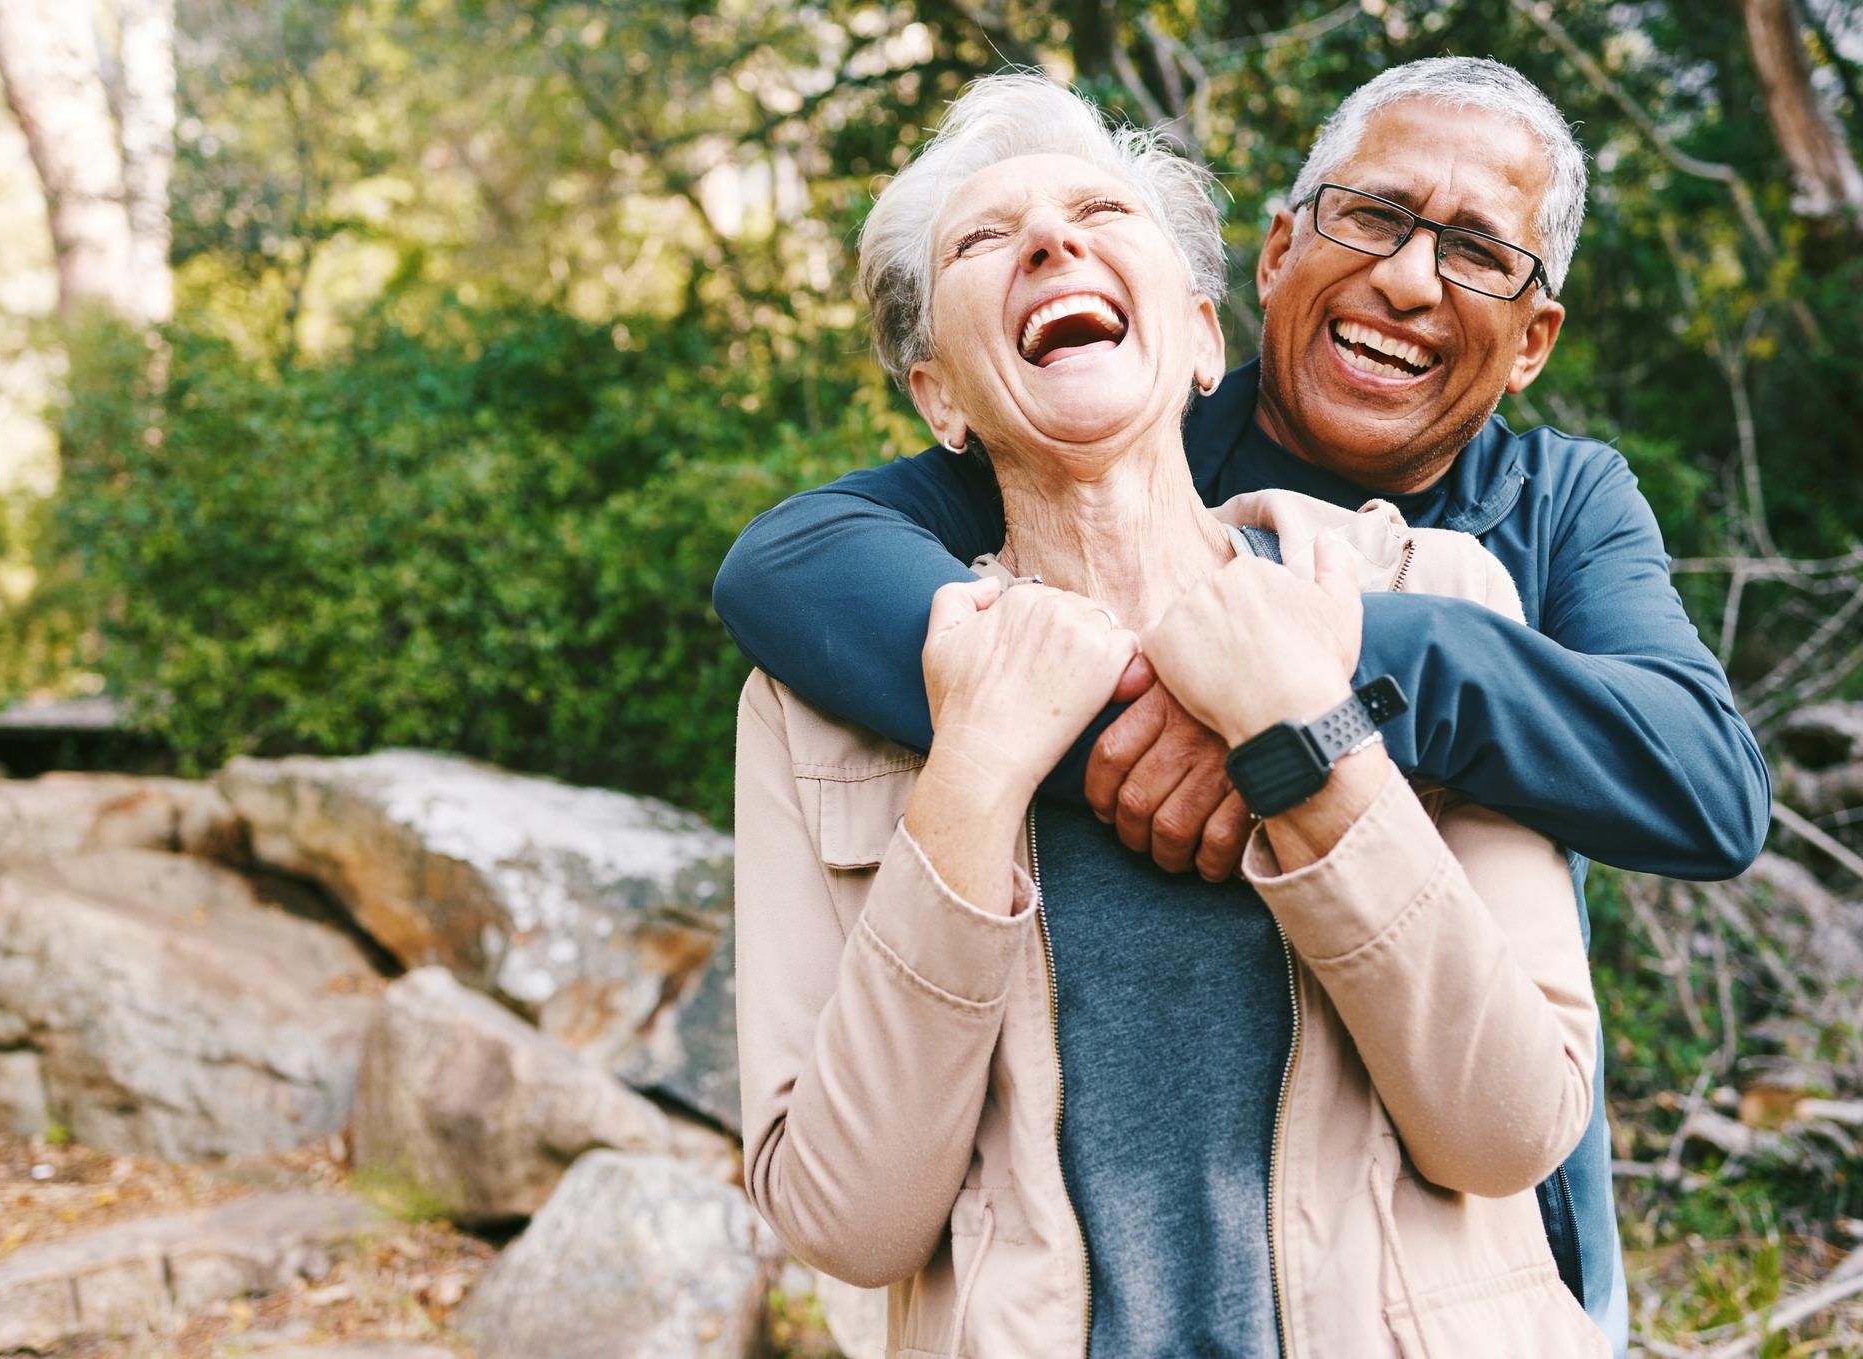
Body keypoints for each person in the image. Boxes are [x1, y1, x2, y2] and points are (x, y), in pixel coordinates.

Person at [716, 57, 1774, 1351]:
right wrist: (1027, 734)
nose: (1405, 277)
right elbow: (780, 560)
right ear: (1269, 262)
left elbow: (1706, 790)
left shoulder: (1537, 524)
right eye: (1374, 217)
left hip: (1467, 1262)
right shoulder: (1079, 431)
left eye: (1477, 252)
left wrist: (1324, 693)